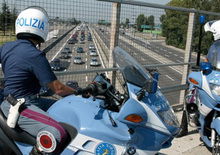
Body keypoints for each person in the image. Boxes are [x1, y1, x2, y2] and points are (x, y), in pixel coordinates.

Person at [0, 6, 87, 154]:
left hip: (14, 100)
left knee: (63, 108)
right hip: (20, 105)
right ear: (42, 28)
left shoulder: (6, 47)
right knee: (58, 133)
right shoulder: (35, 55)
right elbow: (58, 89)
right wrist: (78, 92)